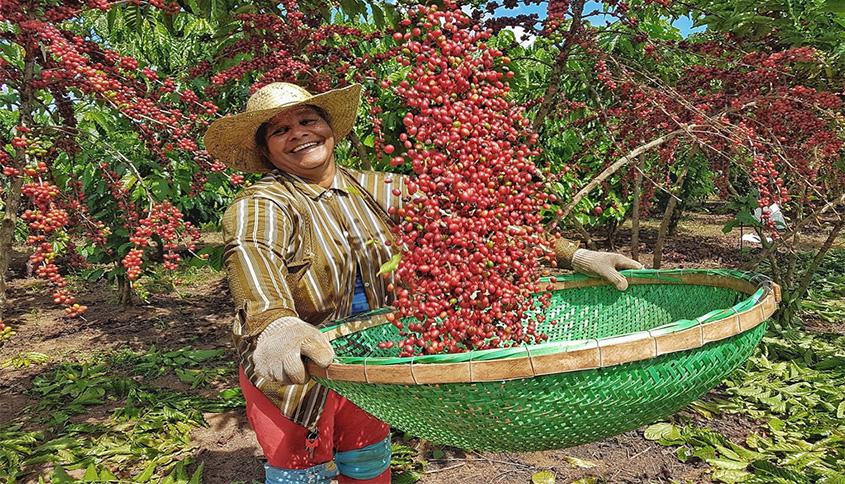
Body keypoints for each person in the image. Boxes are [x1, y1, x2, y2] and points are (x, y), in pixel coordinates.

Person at [203, 81, 643, 484]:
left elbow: (472, 220)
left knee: (367, 458)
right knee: (301, 469)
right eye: (279, 130)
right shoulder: (261, 204)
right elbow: (251, 253)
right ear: (266, 150)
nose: (298, 133)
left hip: (368, 355)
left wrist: (573, 253)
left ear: (330, 129)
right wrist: (276, 322)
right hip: (293, 361)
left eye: (307, 120)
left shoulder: (374, 187)